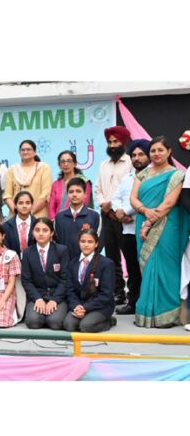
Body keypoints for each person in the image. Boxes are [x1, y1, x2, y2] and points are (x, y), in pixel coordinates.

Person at [131, 136, 188, 328]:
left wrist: (148, 222)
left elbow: (169, 203)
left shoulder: (176, 175)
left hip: (167, 225)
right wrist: (145, 212)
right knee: (146, 267)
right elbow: (133, 198)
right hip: (143, 219)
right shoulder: (142, 174)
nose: (156, 154)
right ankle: (146, 312)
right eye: (153, 151)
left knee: (166, 266)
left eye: (160, 150)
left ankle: (167, 315)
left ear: (169, 151)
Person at [110, 139, 150, 315]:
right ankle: (133, 304)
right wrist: (119, 211)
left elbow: (144, 202)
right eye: (134, 155)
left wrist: (126, 212)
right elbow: (115, 197)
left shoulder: (153, 176)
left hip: (146, 231)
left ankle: (148, 305)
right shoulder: (128, 177)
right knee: (133, 271)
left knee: (147, 270)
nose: (137, 158)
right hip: (127, 231)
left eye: (141, 154)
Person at [95, 126, 133, 305]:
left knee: (130, 255)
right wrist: (103, 203)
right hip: (107, 215)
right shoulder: (103, 164)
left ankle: (134, 293)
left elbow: (133, 189)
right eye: (110, 142)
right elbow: (97, 188)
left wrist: (122, 209)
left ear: (123, 142)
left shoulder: (131, 162)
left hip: (125, 217)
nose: (112, 145)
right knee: (111, 256)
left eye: (116, 142)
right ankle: (118, 292)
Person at [21, 217, 70, 329]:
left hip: (57, 294)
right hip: (37, 295)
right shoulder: (27, 253)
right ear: (32, 233)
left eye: (45, 230)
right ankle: (42, 314)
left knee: (55, 322)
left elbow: (65, 279)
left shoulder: (62, 250)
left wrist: (55, 300)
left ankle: (51, 315)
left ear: (51, 233)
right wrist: (37, 299)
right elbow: (26, 280)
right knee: (33, 322)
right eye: (37, 230)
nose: (41, 233)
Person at [62, 229, 116, 332]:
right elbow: (70, 290)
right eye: (83, 241)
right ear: (79, 243)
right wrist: (77, 306)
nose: (86, 245)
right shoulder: (73, 263)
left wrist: (86, 307)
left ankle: (109, 321)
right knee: (68, 325)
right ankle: (85, 317)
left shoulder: (106, 264)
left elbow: (106, 294)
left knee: (86, 326)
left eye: (90, 242)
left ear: (96, 244)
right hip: (79, 304)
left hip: (100, 306)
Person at [54, 178, 102, 259]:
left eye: (78, 191)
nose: (74, 194)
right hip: (65, 264)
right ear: (67, 194)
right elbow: (57, 242)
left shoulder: (94, 216)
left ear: (85, 194)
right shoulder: (59, 217)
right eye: (71, 192)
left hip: (86, 264)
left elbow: (98, 242)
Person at [4, 140, 53, 218]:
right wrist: (18, 213)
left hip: (38, 217)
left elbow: (45, 195)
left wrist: (29, 213)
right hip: (16, 218)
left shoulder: (43, 168)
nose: (25, 152)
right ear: (19, 153)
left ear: (35, 152)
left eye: (28, 149)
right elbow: (7, 196)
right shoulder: (12, 170)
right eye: (23, 150)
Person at [48, 151, 93, 220]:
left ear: (74, 163)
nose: (66, 164)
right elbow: (51, 207)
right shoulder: (56, 184)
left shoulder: (83, 181)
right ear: (59, 165)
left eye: (69, 161)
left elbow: (85, 202)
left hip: (79, 220)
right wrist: (54, 220)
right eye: (62, 162)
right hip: (58, 222)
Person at [3, 190, 37, 258]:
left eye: (28, 203)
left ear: (32, 205)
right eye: (21, 203)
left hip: (34, 262)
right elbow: (5, 248)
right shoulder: (7, 226)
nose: (24, 206)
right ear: (15, 205)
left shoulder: (38, 224)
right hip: (13, 262)